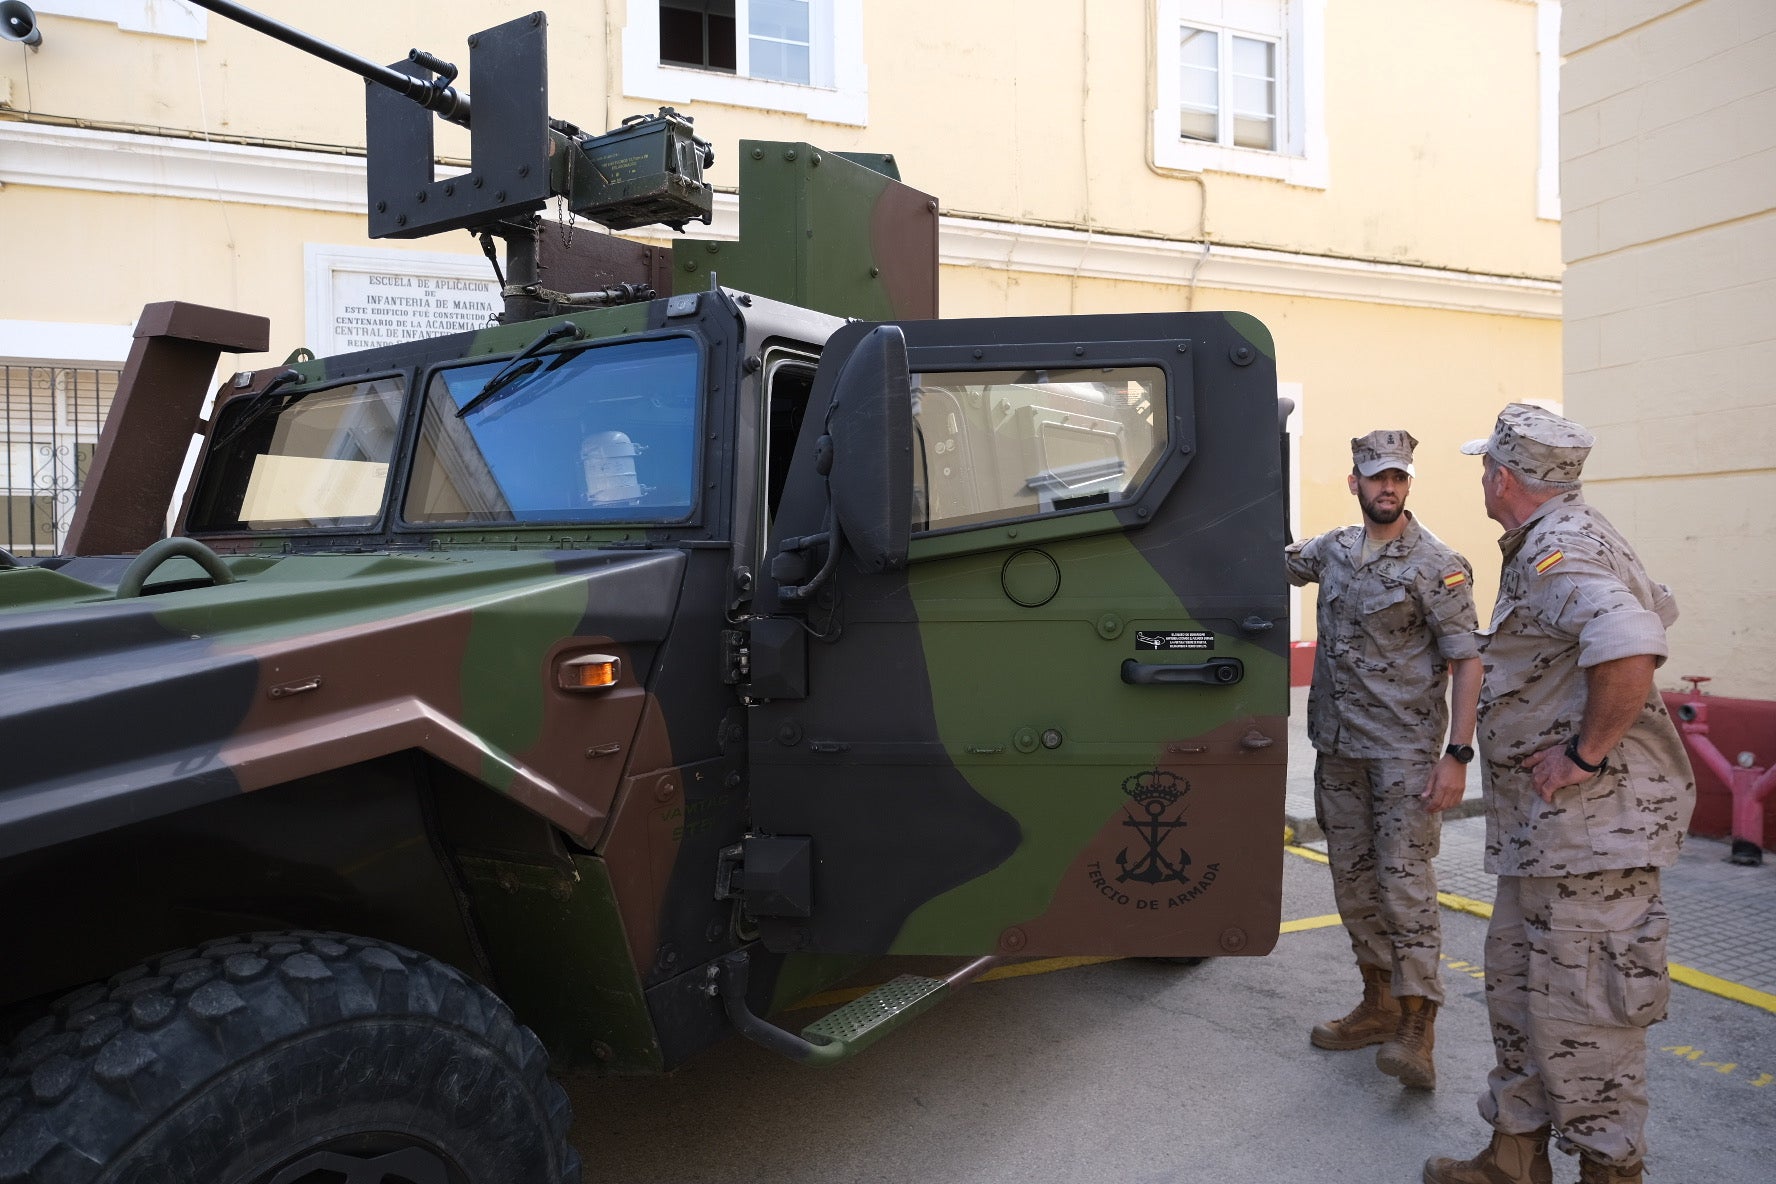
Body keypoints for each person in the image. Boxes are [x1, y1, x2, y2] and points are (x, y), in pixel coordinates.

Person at [1425, 405, 1696, 1184]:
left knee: (1587, 1016)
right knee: (1519, 993)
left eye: (1486, 468)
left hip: (1591, 842)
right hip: (1545, 838)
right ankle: (1514, 1156)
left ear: (1502, 478)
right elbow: (1656, 604)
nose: (1483, 479)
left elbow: (1633, 641)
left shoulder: (1561, 548)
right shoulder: (1569, 537)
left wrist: (1585, 752)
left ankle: (1610, 1169)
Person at [1285, 429, 1482, 1091]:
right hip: (1338, 747)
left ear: (1407, 483)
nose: (1388, 487)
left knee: (1405, 888)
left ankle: (1418, 1027)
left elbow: (1467, 660)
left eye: (1398, 477)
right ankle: (1379, 1005)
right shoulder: (1334, 550)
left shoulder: (1438, 565)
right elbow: (1269, 563)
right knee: (1353, 883)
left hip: (1403, 755)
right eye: (1377, 477)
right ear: (1356, 483)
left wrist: (1458, 754)